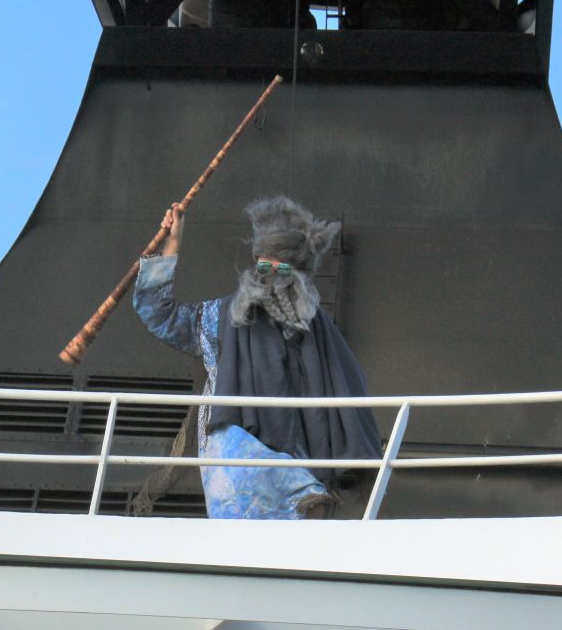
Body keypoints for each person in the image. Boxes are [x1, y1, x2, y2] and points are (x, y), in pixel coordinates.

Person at [133, 196, 382, 519]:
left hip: (302, 470)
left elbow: (347, 394)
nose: (271, 276)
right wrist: (174, 241)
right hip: (236, 470)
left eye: (282, 268)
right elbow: (161, 315)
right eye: (264, 267)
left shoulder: (318, 331)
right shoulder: (220, 317)